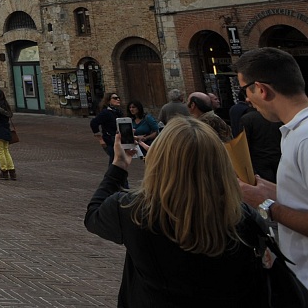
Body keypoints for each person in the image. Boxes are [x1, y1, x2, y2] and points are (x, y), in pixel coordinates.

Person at [84, 117, 270, 306]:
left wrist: (119, 165)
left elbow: (93, 215)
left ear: (158, 162)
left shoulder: (131, 210)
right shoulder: (243, 217)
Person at [236, 46, 308, 287]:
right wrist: (271, 191)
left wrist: (265, 204)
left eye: (245, 90)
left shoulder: (305, 138)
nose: (246, 99)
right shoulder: (293, 132)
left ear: (261, 89)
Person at [237, 96, 282, 183]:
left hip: (259, 160)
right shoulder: (275, 116)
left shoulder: (246, 119)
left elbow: (244, 144)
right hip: (278, 157)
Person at [90, 92, 123, 161]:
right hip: (110, 140)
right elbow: (93, 123)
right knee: (114, 160)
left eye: (118, 98)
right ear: (108, 101)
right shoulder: (106, 112)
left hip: (118, 140)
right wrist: (100, 139)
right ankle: (112, 172)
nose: (118, 99)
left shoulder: (118, 112)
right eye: (115, 98)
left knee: (118, 160)